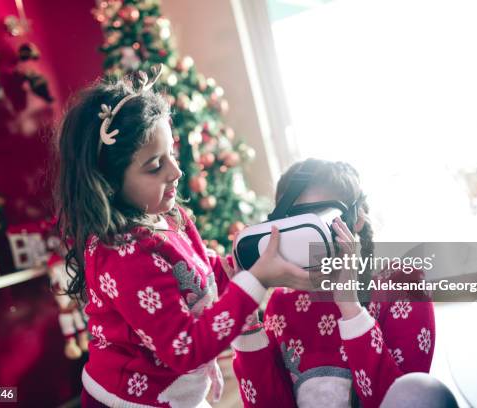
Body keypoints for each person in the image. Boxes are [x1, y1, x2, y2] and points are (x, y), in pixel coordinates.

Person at [54, 69, 312, 407]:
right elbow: (186, 350)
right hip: (132, 401)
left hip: (175, 392)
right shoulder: (124, 257)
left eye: (171, 155)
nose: (175, 171)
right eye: (154, 166)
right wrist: (256, 283)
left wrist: (253, 263)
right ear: (110, 182)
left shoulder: (168, 218)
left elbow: (204, 278)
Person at [231, 158, 459, 408]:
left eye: (318, 223)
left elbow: (408, 399)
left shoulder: (402, 285)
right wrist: (246, 324)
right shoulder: (283, 301)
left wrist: (351, 308)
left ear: (356, 218)